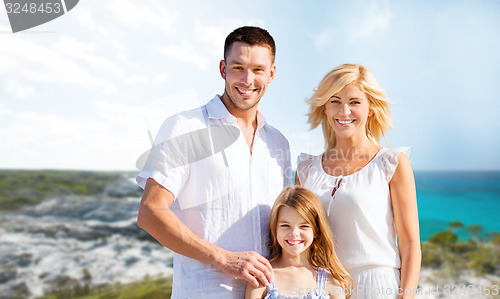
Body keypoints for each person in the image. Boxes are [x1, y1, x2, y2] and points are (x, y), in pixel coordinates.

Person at [136, 26, 292, 298]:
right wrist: (224, 258)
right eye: (237, 68)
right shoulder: (185, 127)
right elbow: (150, 212)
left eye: (257, 69)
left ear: (271, 74)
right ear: (222, 69)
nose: (247, 79)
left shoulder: (278, 143)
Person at [296, 64, 421, 299]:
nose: (344, 111)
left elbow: (410, 243)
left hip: (377, 286)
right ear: (324, 107)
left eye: (354, 102)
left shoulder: (392, 163)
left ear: (371, 108)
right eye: (334, 101)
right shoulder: (305, 170)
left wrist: (407, 297)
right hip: (321, 286)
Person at [245, 186, 352, 299]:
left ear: (316, 230)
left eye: (304, 226)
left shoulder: (332, 282)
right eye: (285, 225)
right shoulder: (261, 278)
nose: (294, 233)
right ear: (275, 229)